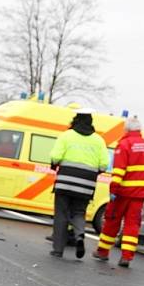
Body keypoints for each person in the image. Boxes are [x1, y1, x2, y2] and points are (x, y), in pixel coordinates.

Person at [92, 116, 144, 267]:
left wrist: (113, 190)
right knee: (132, 224)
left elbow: (119, 171)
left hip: (123, 192)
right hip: (140, 194)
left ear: (127, 129)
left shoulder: (124, 145)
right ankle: (126, 257)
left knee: (112, 220)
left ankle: (103, 252)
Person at [48, 108, 109, 258]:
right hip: (87, 183)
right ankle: (80, 235)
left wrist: (55, 163)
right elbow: (103, 165)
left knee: (61, 214)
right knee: (79, 213)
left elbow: (55, 157)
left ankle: (58, 249)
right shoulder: (98, 140)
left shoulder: (67, 135)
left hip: (65, 181)